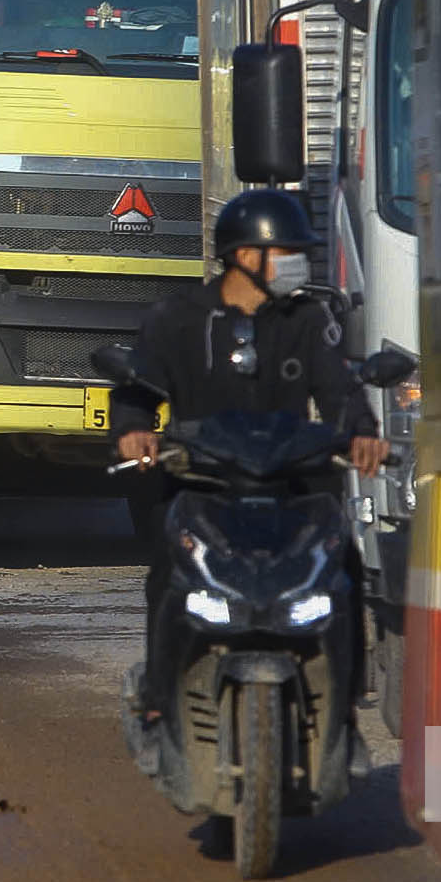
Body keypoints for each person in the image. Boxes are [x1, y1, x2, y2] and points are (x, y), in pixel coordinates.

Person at [109, 189, 387, 767]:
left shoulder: (308, 320)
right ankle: (161, 699)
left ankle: (346, 703)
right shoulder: (176, 317)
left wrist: (361, 433)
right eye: (286, 251)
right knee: (168, 573)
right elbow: (135, 389)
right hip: (204, 488)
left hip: (292, 487)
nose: (297, 264)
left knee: (345, 568)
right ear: (245, 255)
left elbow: (340, 390)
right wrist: (135, 429)